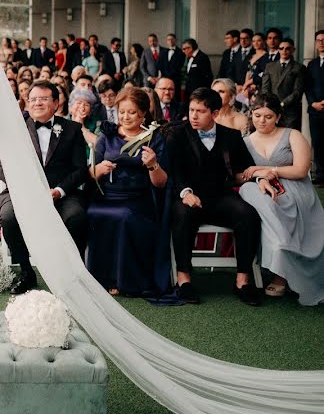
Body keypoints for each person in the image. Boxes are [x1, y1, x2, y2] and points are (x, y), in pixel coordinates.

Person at [167, 87, 262, 306]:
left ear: (215, 113)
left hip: (221, 197)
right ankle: (184, 280)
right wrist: (186, 192)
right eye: (191, 110)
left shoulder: (231, 136)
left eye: (200, 111)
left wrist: (259, 177)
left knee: (247, 215)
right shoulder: (177, 134)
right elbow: (174, 171)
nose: (193, 115)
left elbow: (244, 169)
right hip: (188, 197)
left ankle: (242, 281)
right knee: (182, 215)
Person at [0, 81, 88, 294]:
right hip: (22, 192)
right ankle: (26, 272)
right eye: (33, 99)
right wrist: (28, 192)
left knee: (76, 216)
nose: (37, 103)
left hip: (62, 193)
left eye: (44, 99)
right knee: (9, 216)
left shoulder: (72, 129)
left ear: (56, 103)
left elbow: (80, 170)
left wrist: (58, 191)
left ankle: (73, 275)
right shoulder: (15, 129)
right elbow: (5, 168)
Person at [237, 95, 324, 306]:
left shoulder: (292, 135)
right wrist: (259, 177)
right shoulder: (245, 142)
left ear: (278, 117)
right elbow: (240, 175)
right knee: (252, 193)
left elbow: (301, 169)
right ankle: (280, 253)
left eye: (268, 116)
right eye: (257, 115)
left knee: (274, 205)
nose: (262, 121)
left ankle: (283, 273)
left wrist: (267, 170)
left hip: (294, 190)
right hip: (263, 192)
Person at [87, 87, 170, 296]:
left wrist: (152, 165)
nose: (125, 117)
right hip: (107, 195)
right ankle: (100, 279)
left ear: (143, 113)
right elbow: (91, 172)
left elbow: (161, 183)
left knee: (124, 216)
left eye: (131, 112)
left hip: (139, 198)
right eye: (121, 111)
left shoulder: (154, 138)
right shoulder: (107, 135)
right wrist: (99, 169)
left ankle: (124, 280)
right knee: (92, 213)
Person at [261, 38, 305, 130]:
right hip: (272, 109)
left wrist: (282, 103)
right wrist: (271, 103)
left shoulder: (299, 67)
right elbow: (265, 88)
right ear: (278, 50)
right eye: (281, 48)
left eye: (287, 48)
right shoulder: (270, 66)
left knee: (289, 138)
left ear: (293, 50)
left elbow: (298, 91)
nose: (284, 51)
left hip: (290, 110)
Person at [305, 30, 324, 184]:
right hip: (315, 110)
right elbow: (308, 87)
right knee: (317, 142)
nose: (321, 43)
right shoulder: (312, 64)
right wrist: (313, 103)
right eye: (319, 40)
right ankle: (320, 174)